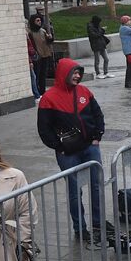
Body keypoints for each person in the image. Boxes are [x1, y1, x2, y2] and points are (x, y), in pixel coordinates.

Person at [37, 58, 112, 242]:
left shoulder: (85, 91)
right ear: (64, 74)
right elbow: (44, 129)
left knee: (97, 185)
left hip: (90, 147)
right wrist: (59, 146)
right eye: (74, 73)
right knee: (74, 190)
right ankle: (80, 228)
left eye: (79, 72)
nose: (78, 76)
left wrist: (97, 136)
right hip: (68, 152)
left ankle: (98, 222)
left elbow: (97, 114)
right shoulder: (49, 98)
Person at [27, 14, 55, 96]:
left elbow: (48, 42)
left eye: (40, 20)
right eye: (37, 21)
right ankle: (37, 91)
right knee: (37, 75)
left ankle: (42, 90)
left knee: (43, 74)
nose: (39, 22)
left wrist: (50, 38)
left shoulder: (43, 31)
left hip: (45, 55)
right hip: (37, 57)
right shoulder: (30, 33)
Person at [87, 15, 111, 79]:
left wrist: (102, 30)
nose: (99, 23)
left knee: (106, 59)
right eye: (99, 22)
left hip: (102, 45)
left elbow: (99, 34)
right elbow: (95, 35)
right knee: (97, 60)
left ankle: (106, 72)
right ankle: (98, 73)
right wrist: (102, 30)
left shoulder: (97, 25)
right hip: (96, 46)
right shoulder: (90, 27)